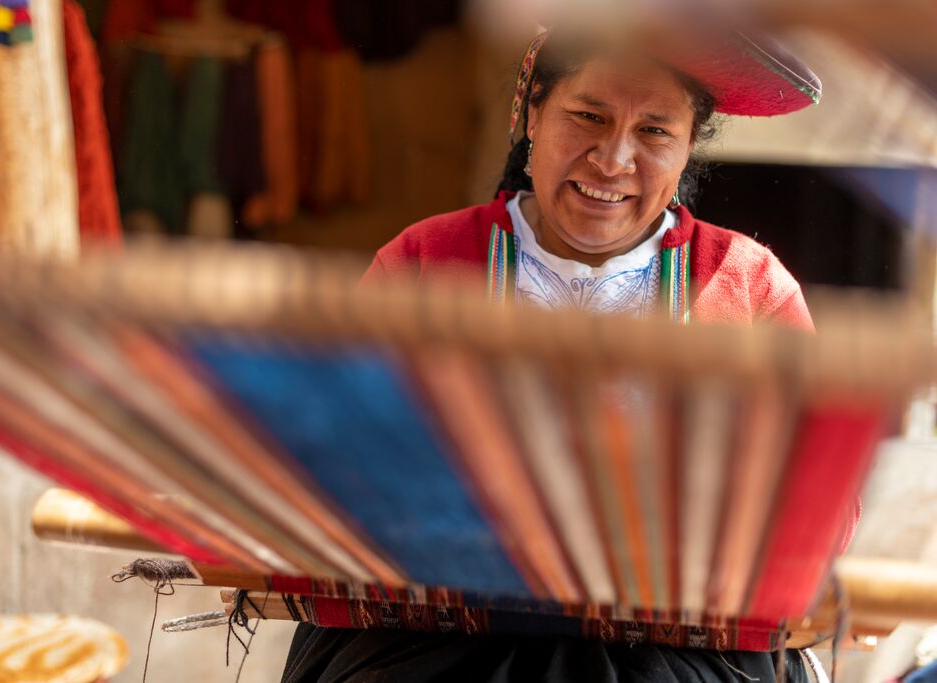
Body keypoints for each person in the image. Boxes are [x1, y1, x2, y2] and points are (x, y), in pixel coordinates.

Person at [283, 27, 833, 683]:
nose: (613, 158)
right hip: (434, 633)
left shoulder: (751, 288)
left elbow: (819, 498)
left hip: (679, 643)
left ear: (689, 146)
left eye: (654, 132)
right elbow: (336, 458)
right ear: (534, 115)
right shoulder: (422, 265)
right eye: (588, 116)